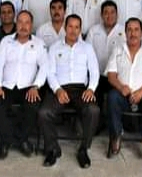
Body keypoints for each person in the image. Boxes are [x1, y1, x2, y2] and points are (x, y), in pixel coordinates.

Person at [38, 14, 100, 169]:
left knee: (93, 110)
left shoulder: (87, 48)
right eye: (70, 26)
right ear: (65, 28)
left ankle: (83, 149)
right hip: (60, 88)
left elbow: (94, 71)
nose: (73, 30)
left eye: (77, 27)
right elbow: (49, 72)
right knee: (44, 113)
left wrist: (91, 89)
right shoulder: (54, 48)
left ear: (80, 30)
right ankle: (53, 149)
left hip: (81, 90)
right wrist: (57, 90)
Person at [0, 10, 48, 160]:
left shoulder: (39, 44)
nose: (23, 26)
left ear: (31, 25)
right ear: (16, 23)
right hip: (6, 86)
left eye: (27, 22)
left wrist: (36, 86)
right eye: (20, 22)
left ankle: (8, 141)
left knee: (33, 106)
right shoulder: (6, 41)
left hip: (28, 86)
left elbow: (45, 67)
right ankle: (18, 140)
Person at [106, 17, 142, 160]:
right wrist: (121, 86)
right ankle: (116, 137)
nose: (133, 33)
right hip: (123, 93)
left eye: (136, 30)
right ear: (125, 32)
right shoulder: (118, 50)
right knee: (112, 97)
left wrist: (141, 92)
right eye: (129, 30)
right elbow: (111, 75)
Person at [86, 0, 126, 119]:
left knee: (115, 99)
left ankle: (118, 124)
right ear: (101, 15)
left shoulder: (124, 31)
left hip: (117, 77)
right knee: (94, 99)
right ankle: (97, 124)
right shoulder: (93, 31)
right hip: (97, 76)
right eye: (106, 13)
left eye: (112, 12)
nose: (109, 16)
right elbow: (87, 54)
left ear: (117, 14)